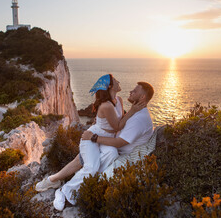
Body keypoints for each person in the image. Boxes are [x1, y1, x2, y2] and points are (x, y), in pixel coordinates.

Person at [36, 79, 154, 211]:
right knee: (89, 164)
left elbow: (120, 135)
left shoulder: (135, 115)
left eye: (135, 90)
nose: (131, 91)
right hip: (101, 139)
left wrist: (95, 136)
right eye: (115, 81)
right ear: (109, 87)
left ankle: (60, 183)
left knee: (97, 158)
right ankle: (60, 186)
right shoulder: (124, 109)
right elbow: (118, 124)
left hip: (109, 143)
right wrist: (96, 130)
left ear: (143, 97)